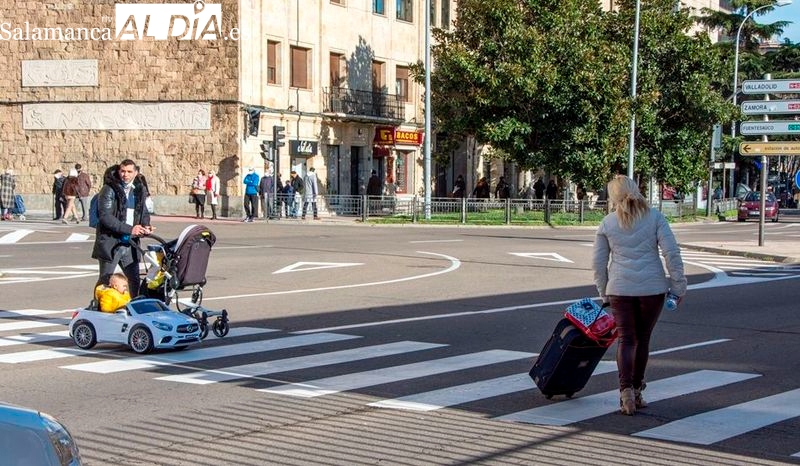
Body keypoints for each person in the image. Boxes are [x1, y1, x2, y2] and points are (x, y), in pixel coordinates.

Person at [592, 175, 686, 416]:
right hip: (651, 289)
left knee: (626, 340)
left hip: (620, 289)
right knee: (642, 339)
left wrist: (604, 294)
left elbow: (598, 264)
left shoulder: (607, 223)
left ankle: (625, 393)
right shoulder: (655, 217)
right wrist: (678, 287)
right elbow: (671, 253)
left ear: (613, 196)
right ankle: (637, 390)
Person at [92, 159, 153, 298]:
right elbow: (105, 216)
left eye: (129, 171)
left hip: (130, 242)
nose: (125, 174)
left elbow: (143, 212)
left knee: (134, 279)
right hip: (111, 241)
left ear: (135, 173)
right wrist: (129, 229)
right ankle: (98, 307)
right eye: (123, 171)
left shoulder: (138, 190)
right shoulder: (109, 189)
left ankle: (132, 307)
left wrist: (146, 226)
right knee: (105, 279)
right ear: (119, 171)